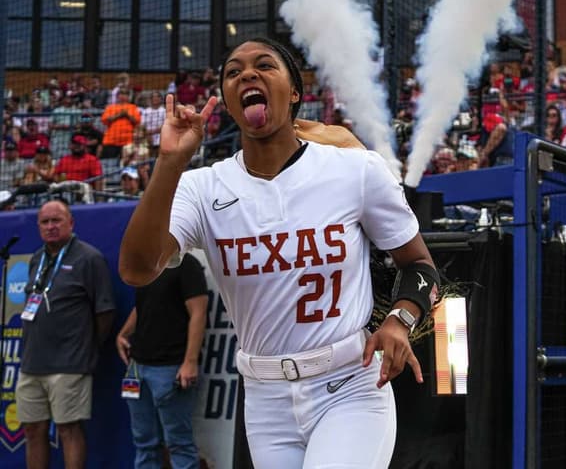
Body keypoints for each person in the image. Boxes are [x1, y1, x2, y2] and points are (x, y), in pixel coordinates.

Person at [118, 37, 439, 468]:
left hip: (349, 384)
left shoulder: (355, 170)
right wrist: (170, 162)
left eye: (265, 65)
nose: (248, 74)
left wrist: (400, 321)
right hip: (265, 399)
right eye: (233, 72)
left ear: (295, 93)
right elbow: (137, 269)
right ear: (229, 105)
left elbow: (420, 266)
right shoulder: (201, 187)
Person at [16, 200, 115, 469]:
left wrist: (86, 348)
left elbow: (105, 311)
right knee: (32, 430)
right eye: (45, 222)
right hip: (32, 363)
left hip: (70, 364)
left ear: (71, 223)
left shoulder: (89, 257)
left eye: (56, 220)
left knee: (68, 430)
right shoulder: (37, 258)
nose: (50, 227)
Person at [116, 252, 208, 469]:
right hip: (138, 367)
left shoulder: (187, 264)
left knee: (178, 442)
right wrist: (124, 332)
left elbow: (198, 312)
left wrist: (190, 361)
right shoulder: (148, 263)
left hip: (171, 367)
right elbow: (143, 306)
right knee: (143, 442)